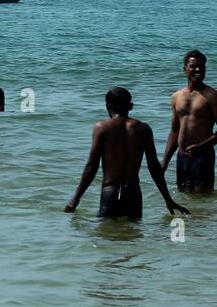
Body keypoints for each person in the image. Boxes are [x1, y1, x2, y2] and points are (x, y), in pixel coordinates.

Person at [65, 87, 188, 218]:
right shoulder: (143, 129)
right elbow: (154, 168)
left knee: (106, 235)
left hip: (110, 193)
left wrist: (76, 199)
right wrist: (168, 199)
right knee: (133, 235)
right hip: (133, 195)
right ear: (131, 106)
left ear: (107, 107)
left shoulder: (101, 128)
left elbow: (92, 166)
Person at [161, 50, 217, 192]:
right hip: (182, 155)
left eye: (202, 67)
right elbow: (174, 130)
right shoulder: (176, 96)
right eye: (193, 66)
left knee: (202, 198)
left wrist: (201, 146)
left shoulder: (212, 96)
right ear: (185, 69)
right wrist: (165, 161)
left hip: (203, 156)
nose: (198, 70)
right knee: (183, 195)